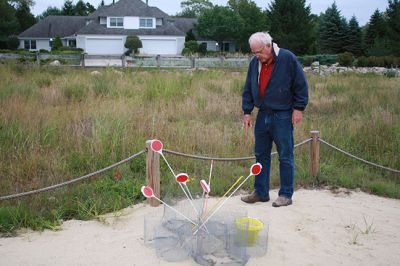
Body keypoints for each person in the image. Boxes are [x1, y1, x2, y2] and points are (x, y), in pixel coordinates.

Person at [241, 32, 308, 207]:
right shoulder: (255, 63)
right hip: (263, 113)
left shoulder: (287, 58)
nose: (257, 56)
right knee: (261, 154)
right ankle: (261, 193)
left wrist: (299, 108)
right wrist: (247, 111)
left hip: (283, 115)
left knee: (285, 155)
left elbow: (300, 84)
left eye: (259, 52)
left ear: (269, 46)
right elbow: (248, 87)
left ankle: (285, 195)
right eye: (254, 52)